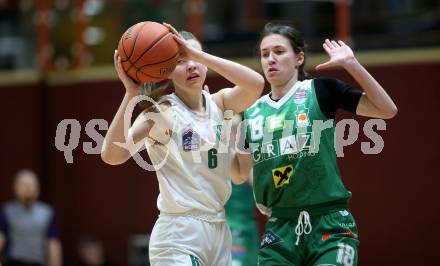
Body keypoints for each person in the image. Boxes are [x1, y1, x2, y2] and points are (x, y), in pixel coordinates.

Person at [232, 22, 398, 266]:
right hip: (279, 229)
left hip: (329, 223)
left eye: (279, 52)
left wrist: (352, 65)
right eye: (264, 54)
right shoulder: (252, 112)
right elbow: (239, 174)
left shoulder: (320, 90)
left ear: (299, 58)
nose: (270, 60)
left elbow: (387, 110)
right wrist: (216, 136)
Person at [101, 23, 264, 266]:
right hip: (179, 232)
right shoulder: (163, 113)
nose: (190, 65)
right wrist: (130, 95)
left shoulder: (219, 105)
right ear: (165, 71)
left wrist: (194, 53)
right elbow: (111, 155)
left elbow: (256, 84)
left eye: (194, 57)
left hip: (219, 228)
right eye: (180, 61)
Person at [0, 169, 62, 266]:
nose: (28, 188)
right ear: (15, 187)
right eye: (24, 185)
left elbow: (53, 244)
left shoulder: (47, 213)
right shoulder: (7, 211)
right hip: (13, 262)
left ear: (38, 188)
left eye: (32, 185)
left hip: (37, 262)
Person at [225, 114, 259, 266]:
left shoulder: (248, 162)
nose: (234, 135)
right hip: (225, 228)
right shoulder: (218, 160)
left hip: (246, 230)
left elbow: (260, 190)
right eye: (231, 130)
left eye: (238, 131)